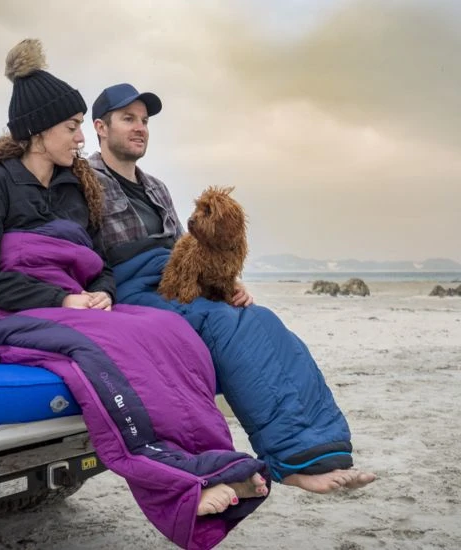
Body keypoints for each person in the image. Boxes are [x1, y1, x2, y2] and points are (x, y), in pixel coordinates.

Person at [0, 40, 270, 546]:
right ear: (38, 132)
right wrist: (62, 300)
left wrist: (100, 292)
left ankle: (214, 459)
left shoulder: (74, 188)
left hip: (72, 304)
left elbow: (97, 263)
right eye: (72, 127)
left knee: (166, 328)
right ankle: (180, 481)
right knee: (116, 346)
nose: (80, 137)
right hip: (3, 308)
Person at [88, 83, 376, 494]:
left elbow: (189, 249)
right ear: (101, 127)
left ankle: (324, 450)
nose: (140, 128)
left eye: (145, 121)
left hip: (173, 282)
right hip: (130, 289)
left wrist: (224, 283)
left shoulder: (156, 188)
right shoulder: (87, 182)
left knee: (261, 318)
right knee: (223, 323)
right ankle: (293, 461)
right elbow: (80, 251)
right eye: (128, 119)